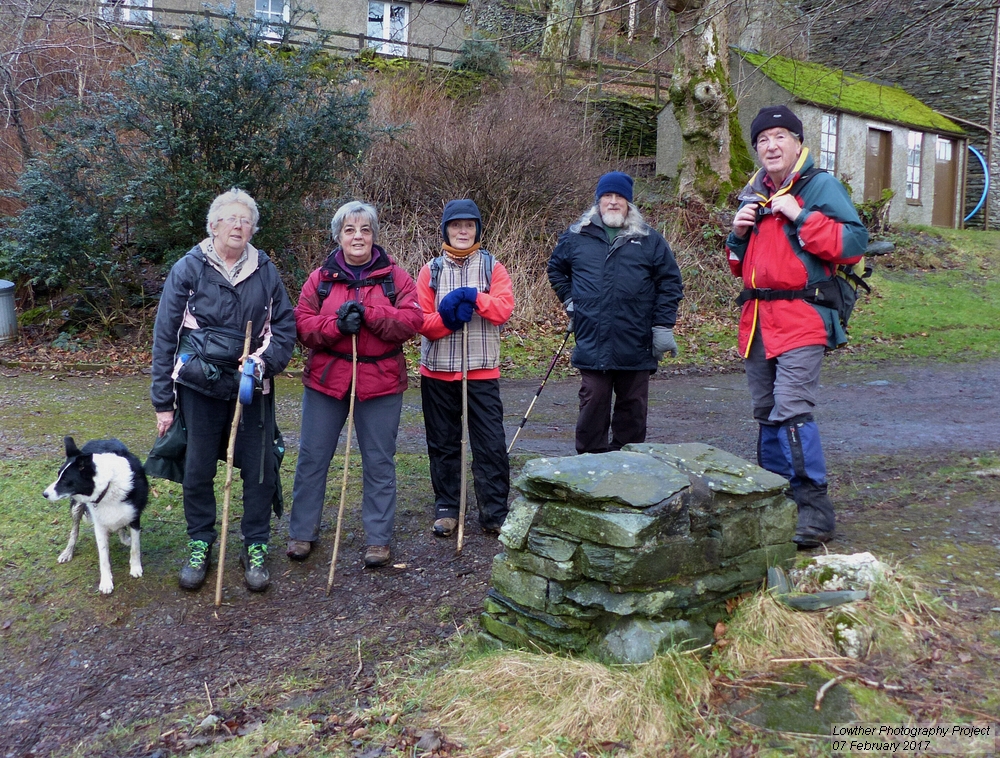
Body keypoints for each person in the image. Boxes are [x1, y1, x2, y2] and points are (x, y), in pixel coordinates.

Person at [726, 104, 868, 548]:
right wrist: (736, 233)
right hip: (756, 322)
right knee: (767, 412)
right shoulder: (753, 193)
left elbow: (853, 243)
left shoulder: (819, 185)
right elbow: (739, 266)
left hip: (802, 316)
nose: (771, 145)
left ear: (797, 142)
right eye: (762, 140)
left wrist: (801, 216)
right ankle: (775, 501)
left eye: (779, 137)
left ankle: (814, 510)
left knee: (791, 409)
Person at [151, 187, 296, 592]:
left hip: (252, 385)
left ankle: (255, 545)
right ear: (213, 225)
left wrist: (262, 364)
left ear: (253, 229)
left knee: (260, 468)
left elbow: (285, 328)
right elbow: (165, 335)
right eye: (230, 218)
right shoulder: (189, 268)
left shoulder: (265, 270)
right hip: (199, 385)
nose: (238, 225)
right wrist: (163, 401)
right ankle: (200, 542)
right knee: (197, 468)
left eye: (246, 219)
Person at [286, 201, 422, 568]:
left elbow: (412, 320)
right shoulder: (320, 278)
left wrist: (371, 316)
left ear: (374, 235)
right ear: (338, 236)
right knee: (313, 458)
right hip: (328, 380)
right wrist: (336, 326)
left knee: (379, 461)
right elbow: (300, 324)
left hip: (379, 380)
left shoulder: (396, 277)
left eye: (364, 229)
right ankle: (302, 533)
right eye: (349, 230)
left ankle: (378, 539)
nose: (357, 236)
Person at [548, 171, 684, 455]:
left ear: (629, 204)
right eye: (607, 197)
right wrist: (571, 300)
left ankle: (628, 467)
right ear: (598, 202)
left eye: (619, 197)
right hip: (592, 338)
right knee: (593, 402)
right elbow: (556, 270)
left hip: (636, 339)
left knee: (633, 407)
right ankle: (590, 465)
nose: (612, 202)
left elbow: (670, 283)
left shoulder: (650, 240)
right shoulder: (576, 237)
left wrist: (662, 326)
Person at [417, 199, 514, 537]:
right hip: (437, 372)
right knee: (443, 442)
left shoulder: (492, 268)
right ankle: (447, 507)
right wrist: (447, 319)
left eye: (469, 225)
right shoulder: (431, 270)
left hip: (481, 371)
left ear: (477, 230)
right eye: (456, 225)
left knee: (490, 443)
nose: (462, 230)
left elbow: (502, 310)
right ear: (445, 229)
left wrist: (474, 297)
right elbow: (423, 322)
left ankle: (494, 511)